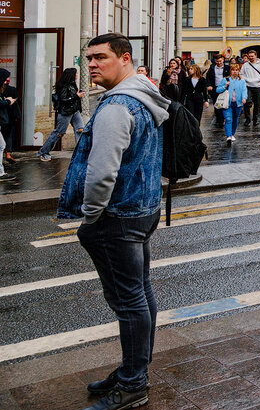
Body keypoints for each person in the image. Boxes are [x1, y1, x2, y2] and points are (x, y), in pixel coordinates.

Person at [57, 33, 171, 410]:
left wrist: (90, 218)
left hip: (117, 216)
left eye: (100, 57)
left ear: (124, 59)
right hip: (142, 208)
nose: (91, 64)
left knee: (129, 301)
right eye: (88, 57)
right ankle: (132, 370)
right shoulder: (144, 97)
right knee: (139, 293)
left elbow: (101, 173)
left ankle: (134, 382)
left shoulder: (116, 107)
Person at [38, 68, 85, 161]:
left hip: (74, 111)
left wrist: (77, 94)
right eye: (76, 73)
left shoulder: (72, 84)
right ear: (71, 75)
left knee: (80, 129)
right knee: (59, 132)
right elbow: (63, 100)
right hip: (66, 111)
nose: (77, 75)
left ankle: (81, 153)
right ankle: (43, 152)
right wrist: (77, 96)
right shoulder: (64, 86)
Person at [216, 63, 247, 144]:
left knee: (235, 119)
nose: (235, 72)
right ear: (230, 71)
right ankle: (228, 136)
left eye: (236, 70)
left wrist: (244, 98)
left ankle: (232, 133)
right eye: (233, 70)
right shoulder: (225, 80)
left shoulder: (242, 81)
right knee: (228, 119)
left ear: (239, 71)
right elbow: (218, 90)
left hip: (238, 103)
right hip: (227, 104)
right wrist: (225, 86)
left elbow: (244, 90)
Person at [241, 51, 260, 128]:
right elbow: (241, 74)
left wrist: (255, 80)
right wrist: (247, 79)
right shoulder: (245, 65)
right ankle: (247, 119)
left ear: (256, 56)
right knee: (247, 103)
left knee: (257, 104)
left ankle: (255, 120)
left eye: (252, 56)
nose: (251, 58)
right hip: (248, 86)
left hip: (257, 86)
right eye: (249, 56)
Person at [0, 67, 19, 163]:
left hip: (5, 117)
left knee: (2, 144)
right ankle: (7, 153)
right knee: (5, 139)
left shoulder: (3, 90)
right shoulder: (11, 89)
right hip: (6, 117)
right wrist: (8, 101)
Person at [205, 55, 229, 130]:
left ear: (223, 60)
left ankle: (223, 119)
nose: (219, 63)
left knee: (224, 103)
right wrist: (209, 85)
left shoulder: (227, 68)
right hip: (215, 88)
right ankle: (219, 120)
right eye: (217, 61)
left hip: (224, 88)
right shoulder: (212, 68)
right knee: (217, 104)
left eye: (220, 61)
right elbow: (208, 77)